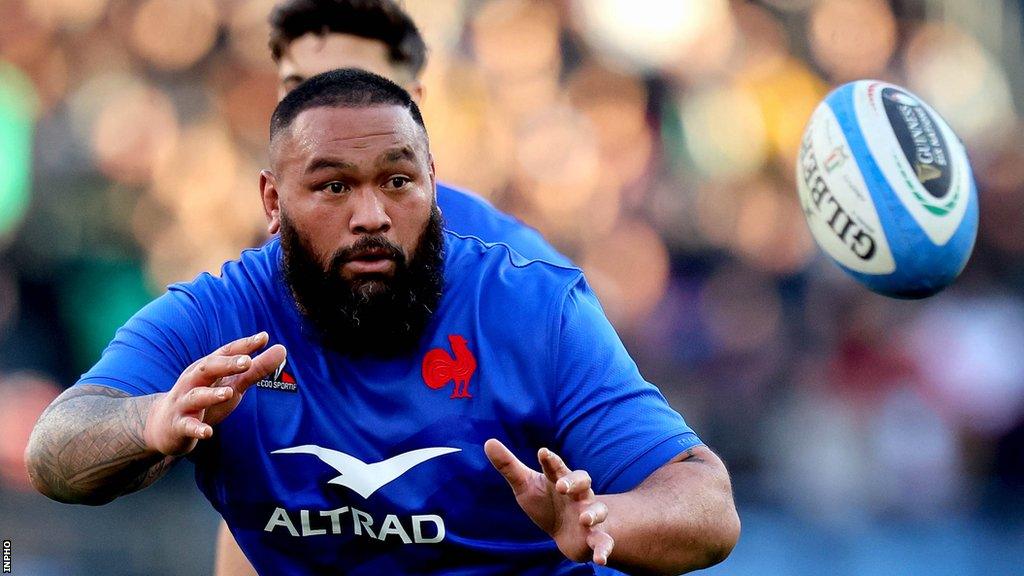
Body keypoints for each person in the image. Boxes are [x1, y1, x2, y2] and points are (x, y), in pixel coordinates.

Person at [26, 69, 739, 575]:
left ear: (433, 182)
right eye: (333, 185)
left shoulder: (532, 313)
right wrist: (148, 421)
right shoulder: (220, 317)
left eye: (397, 181)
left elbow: (706, 505)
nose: (371, 216)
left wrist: (605, 522)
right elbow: (54, 448)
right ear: (273, 203)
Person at [268, 0, 570, 266]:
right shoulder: (268, 262)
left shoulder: (515, 268)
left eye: (351, 88)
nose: (314, 110)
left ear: (412, 102)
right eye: (297, 88)